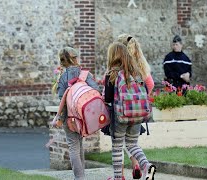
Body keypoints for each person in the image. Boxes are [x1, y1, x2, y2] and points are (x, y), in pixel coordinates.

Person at [104, 42, 156, 180]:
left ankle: (117, 178)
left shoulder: (112, 73)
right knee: (132, 144)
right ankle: (146, 166)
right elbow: (145, 90)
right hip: (138, 115)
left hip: (121, 116)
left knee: (117, 146)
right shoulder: (137, 72)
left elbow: (108, 98)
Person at [52, 47, 99, 180]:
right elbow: (96, 91)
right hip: (84, 117)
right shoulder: (84, 74)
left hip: (70, 119)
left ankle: (79, 177)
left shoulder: (62, 77)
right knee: (79, 145)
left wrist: (61, 118)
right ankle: (81, 176)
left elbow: (63, 101)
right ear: (75, 58)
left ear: (63, 61)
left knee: (73, 146)